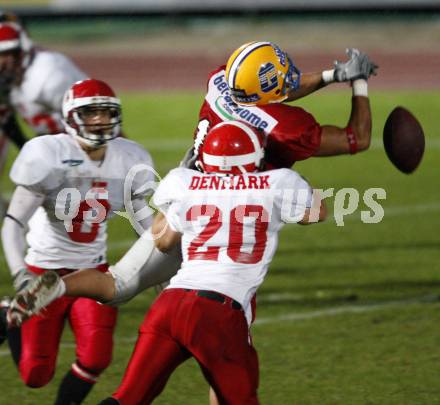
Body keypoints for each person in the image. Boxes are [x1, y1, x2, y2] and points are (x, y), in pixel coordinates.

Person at [8, 120, 326, 404]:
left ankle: (61, 283)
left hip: (171, 304)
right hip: (219, 309)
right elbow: (316, 212)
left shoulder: (185, 182)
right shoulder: (277, 183)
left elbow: (162, 241)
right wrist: (300, 180)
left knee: (129, 395)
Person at [0, 78, 155, 404]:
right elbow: (14, 222)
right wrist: (21, 275)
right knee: (35, 376)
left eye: (105, 112)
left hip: (93, 273)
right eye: (90, 112)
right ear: (71, 117)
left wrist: (163, 270)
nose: (99, 119)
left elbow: (148, 225)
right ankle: (9, 313)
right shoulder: (47, 154)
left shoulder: (129, 158)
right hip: (45, 274)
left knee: (97, 357)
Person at [0, 18, 87, 214]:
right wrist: (27, 148)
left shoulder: (48, 77)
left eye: (6, 56)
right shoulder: (10, 82)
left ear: (20, 53)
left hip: (78, 142)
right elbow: (6, 119)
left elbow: (92, 118)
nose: (2, 64)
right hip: (50, 145)